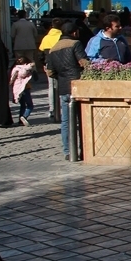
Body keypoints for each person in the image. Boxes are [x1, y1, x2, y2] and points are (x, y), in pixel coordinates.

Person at [45, 20, 86, 159]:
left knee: (66, 122)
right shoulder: (75, 44)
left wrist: (61, 77)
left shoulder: (53, 48)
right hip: (77, 85)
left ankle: (68, 151)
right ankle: (83, 149)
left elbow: (50, 72)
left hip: (63, 87)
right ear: (74, 32)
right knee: (82, 120)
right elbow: (84, 63)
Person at [10, 56, 34, 126]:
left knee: (22, 105)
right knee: (30, 105)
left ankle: (21, 121)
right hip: (24, 89)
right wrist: (30, 65)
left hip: (17, 89)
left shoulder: (14, 68)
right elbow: (23, 73)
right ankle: (24, 116)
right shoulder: (23, 69)